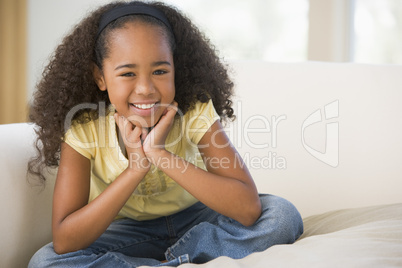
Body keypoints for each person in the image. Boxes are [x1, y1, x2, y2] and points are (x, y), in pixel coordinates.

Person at [27, 1, 303, 267]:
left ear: (175, 68)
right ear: (100, 77)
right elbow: (64, 240)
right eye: (127, 74)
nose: (146, 88)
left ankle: (163, 262)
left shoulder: (195, 110)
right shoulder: (83, 127)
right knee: (46, 261)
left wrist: (159, 154)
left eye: (160, 70)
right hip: (126, 233)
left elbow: (248, 208)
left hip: (199, 221)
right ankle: (179, 262)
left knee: (281, 216)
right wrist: (136, 169)